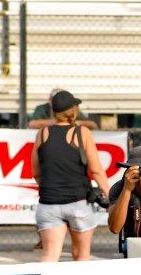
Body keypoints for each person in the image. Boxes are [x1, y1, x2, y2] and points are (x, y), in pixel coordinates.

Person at [31, 90, 111, 262]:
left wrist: (52, 187)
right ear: (73, 110)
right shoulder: (82, 133)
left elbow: (36, 172)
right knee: (81, 255)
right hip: (78, 202)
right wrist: (112, 196)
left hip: (48, 203)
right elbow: (96, 170)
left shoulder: (43, 133)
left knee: (50, 255)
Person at [29, 88, 97, 130]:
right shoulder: (42, 109)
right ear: (50, 100)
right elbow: (33, 124)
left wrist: (75, 123)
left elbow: (92, 124)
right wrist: (61, 122)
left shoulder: (71, 109)